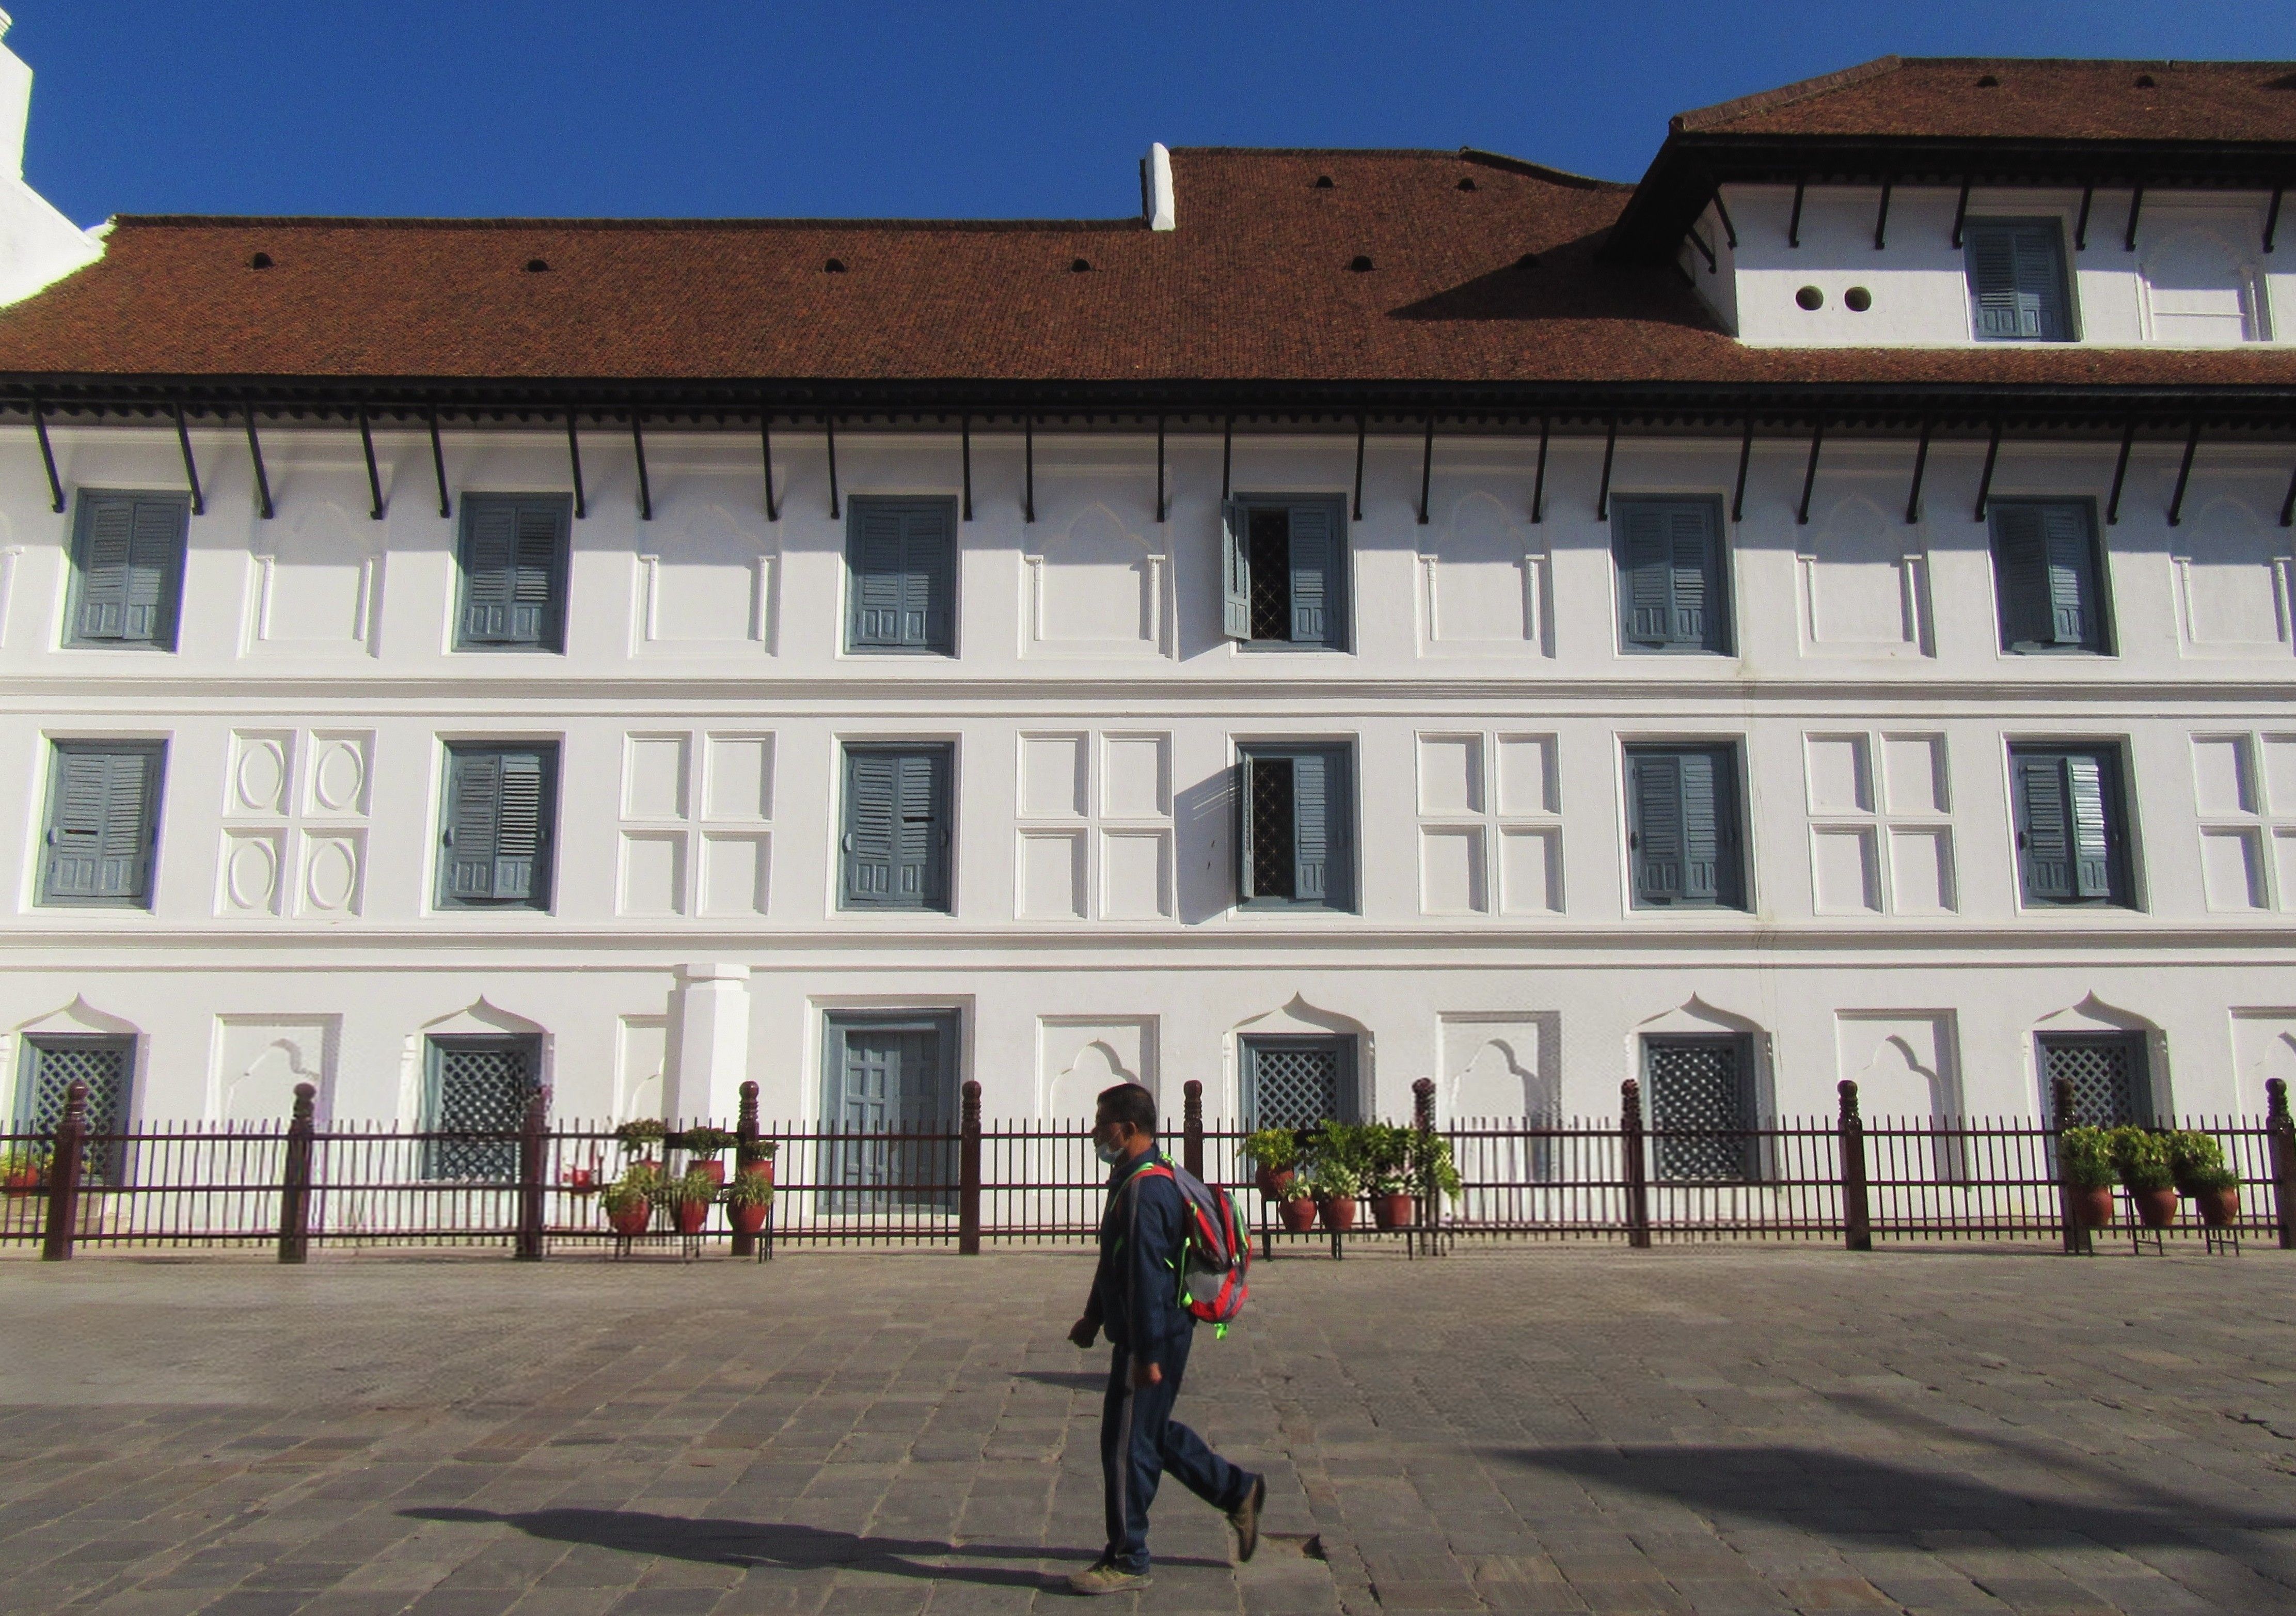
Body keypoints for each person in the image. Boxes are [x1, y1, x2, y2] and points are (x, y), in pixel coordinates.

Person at [1065, 1081, 1264, 1596]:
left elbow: (1146, 1276)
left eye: (1101, 1124)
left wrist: (1146, 1353)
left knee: (1127, 1444)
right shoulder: (1138, 1177)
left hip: (1152, 1333)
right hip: (1153, 1329)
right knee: (1146, 1432)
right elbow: (1117, 1262)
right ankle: (1237, 1491)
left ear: (1127, 1129)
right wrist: (1092, 1316)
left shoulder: (1145, 1190)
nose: (1094, 1133)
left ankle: (1130, 1558)